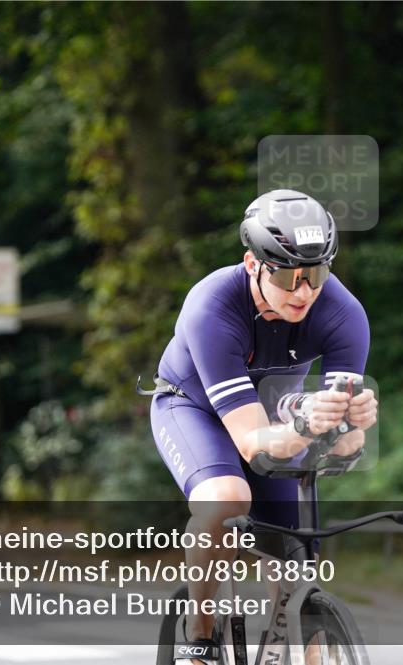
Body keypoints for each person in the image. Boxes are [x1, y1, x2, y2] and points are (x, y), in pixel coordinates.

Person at [146, 189, 378, 664]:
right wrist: (309, 425)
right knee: (228, 497)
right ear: (253, 264)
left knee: (290, 550)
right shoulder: (213, 306)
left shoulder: (344, 315)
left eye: (315, 274)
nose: (304, 292)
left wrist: (350, 427)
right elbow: (253, 445)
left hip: (275, 414)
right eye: (290, 276)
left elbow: (343, 448)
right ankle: (201, 638)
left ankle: (293, 646)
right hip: (192, 409)